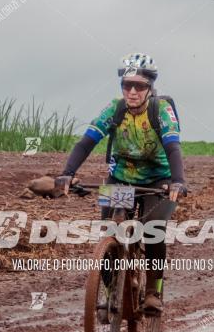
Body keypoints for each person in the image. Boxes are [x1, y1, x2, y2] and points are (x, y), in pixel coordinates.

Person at [55, 53, 187, 313]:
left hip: (157, 179)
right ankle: (109, 289)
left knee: (153, 229)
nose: (133, 91)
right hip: (121, 178)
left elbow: (173, 147)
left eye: (139, 86)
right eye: (127, 85)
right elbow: (87, 142)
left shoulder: (161, 109)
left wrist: (178, 181)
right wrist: (67, 173)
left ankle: (153, 292)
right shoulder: (114, 109)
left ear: (150, 87)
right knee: (108, 233)